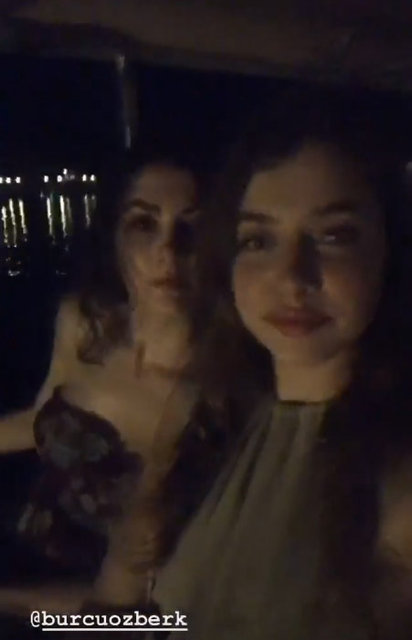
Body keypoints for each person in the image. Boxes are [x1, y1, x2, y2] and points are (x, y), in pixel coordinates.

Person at [152, 90, 412, 639]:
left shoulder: (396, 480)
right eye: (258, 240)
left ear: (391, 250)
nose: (293, 277)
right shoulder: (219, 424)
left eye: (334, 236)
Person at [0, 152, 231, 614]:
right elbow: (44, 417)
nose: (169, 250)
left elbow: (132, 611)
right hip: (28, 540)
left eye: (193, 226)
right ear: (114, 237)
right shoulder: (87, 324)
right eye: (144, 223)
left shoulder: (213, 393)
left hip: (95, 605)